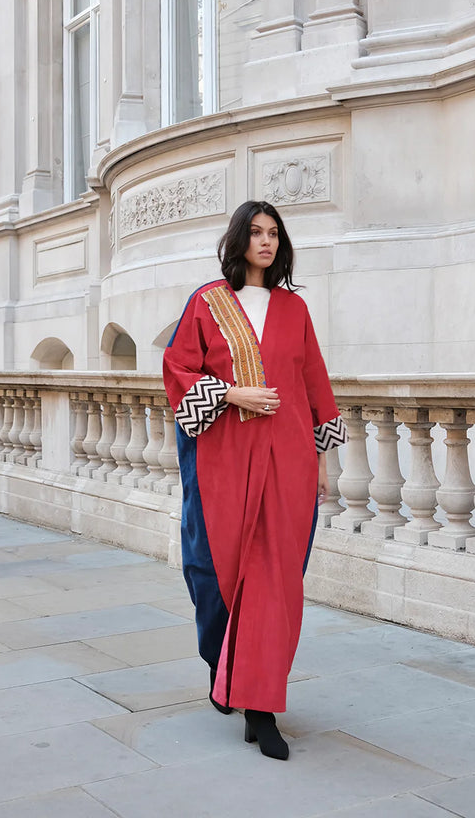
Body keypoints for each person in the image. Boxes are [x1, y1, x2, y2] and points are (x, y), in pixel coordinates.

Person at [163, 200, 347, 761]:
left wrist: (324, 463)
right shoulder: (207, 303)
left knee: (274, 580)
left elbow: (315, 384)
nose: (266, 242)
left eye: (274, 234)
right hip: (225, 461)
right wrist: (231, 393)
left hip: (288, 462)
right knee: (214, 571)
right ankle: (223, 666)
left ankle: (261, 708)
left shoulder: (294, 309)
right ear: (239, 239)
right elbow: (177, 370)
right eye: (257, 232)